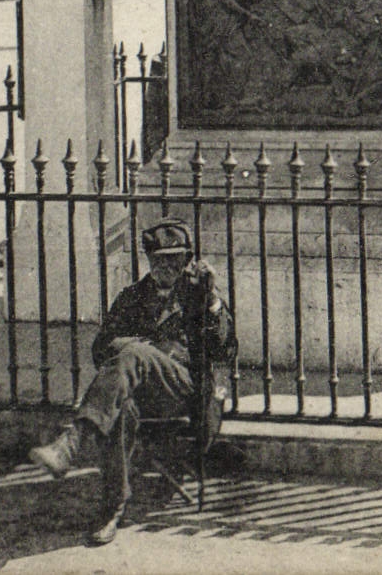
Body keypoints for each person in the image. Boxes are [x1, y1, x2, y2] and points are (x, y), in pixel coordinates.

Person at [29, 222, 236, 544]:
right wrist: (140, 351)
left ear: (187, 260)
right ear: (148, 260)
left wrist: (212, 300)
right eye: (159, 259)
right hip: (140, 392)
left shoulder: (199, 294)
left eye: (175, 259)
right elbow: (101, 349)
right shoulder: (132, 296)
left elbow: (225, 350)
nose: (166, 266)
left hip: (183, 388)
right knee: (121, 408)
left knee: (134, 355)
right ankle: (113, 507)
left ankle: (72, 442)